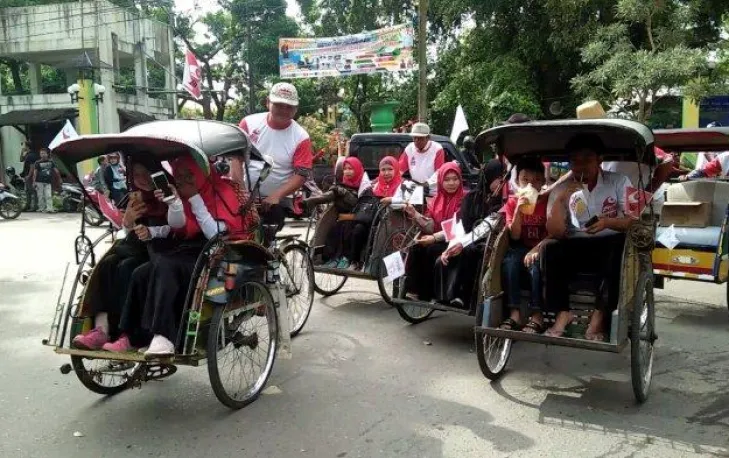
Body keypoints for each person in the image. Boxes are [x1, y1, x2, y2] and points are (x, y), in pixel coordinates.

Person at [106, 154, 257, 356]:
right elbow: (176, 226)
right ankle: (134, 337)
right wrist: (171, 209)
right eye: (180, 175)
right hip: (187, 249)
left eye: (190, 174)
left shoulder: (222, 191)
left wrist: (195, 197)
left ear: (201, 173)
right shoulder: (179, 194)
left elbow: (215, 234)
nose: (185, 180)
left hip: (217, 252)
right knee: (141, 273)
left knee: (166, 264)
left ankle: (165, 336)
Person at [71, 159, 171, 350]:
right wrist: (128, 221)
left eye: (145, 174)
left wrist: (151, 229)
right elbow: (126, 232)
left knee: (128, 268)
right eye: (136, 175)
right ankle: (102, 329)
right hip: (135, 247)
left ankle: (129, 335)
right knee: (107, 263)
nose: (141, 179)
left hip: (161, 250)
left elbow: (178, 227)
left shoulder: (167, 195)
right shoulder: (132, 198)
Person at [543, 133, 632, 340]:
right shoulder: (562, 188)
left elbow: (632, 220)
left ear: (599, 159)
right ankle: (563, 312)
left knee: (618, 247)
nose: (581, 166)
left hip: (610, 241)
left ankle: (599, 316)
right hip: (576, 244)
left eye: (587, 159)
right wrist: (560, 200)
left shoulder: (619, 182)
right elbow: (555, 231)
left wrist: (607, 222)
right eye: (575, 161)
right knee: (550, 249)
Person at [234, 82, 314, 230]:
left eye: (289, 106)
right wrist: (240, 191)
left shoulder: (301, 137)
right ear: (267, 103)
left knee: (268, 236)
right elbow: (236, 159)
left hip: (278, 200)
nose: (284, 110)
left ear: (296, 109)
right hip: (245, 197)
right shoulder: (248, 123)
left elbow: (302, 173)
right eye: (279, 104)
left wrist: (277, 195)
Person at [436, 159, 505, 307]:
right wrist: (452, 246)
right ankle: (443, 296)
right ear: (489, 177)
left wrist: (463, 244)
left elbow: (488, 227)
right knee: (442, 257)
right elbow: (460, 224)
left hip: (486, 243)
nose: (502, 183)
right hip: (466, 238)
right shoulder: (471, 198)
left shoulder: (503, 201)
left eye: (504, 179)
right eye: (499, 179)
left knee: (471, 251)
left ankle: (463, 296)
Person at [497, 158, 548, 333]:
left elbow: (553, 234)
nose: (530, 185)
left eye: (536, 181)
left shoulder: (547, 202)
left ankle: (537, 314)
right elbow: (515, 234)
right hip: (520, 245)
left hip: (543, 246)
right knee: (510, 262)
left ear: (542, 182)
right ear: (518, 181)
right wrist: (519, 209)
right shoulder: (512, 202)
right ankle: (514, 313)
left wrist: (536, 249)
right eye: (525, 180)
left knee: (535, 267)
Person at [403, 162, 465, 302]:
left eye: (455, 179)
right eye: (447, 179)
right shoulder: (436, 200)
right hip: (435, 238)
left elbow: (457, 227)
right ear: (440, 181)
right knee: (415, 247)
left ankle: (430, 293)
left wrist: (434, 238)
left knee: (431, 250)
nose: (451, 183)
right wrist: (415, 214)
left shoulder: (463, 200)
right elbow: (430, 225)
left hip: (454, 241)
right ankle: (413, 290)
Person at [312, 157, 373, 269]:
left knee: (348, 228)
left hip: (360, 219)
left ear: (358, 170)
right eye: (345, 169)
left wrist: (347, 216)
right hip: (345, 218)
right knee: (335, 228)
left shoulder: (365, 187)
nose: (347, 171)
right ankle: (333, 257)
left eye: (351, 168)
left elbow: (363, 209)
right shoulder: (343, 184)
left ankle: (348, 259)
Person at [31, 148, 60, 213]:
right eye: (41, 153)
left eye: (44, 153)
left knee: (48, 195)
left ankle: (49, 208)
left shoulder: (51, 162)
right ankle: (41, 208)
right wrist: (34, 182)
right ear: (40, 155)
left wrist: (59, 178)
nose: (43, 155)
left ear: (47, 154)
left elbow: (56, 171)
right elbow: (35, 173)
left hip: (48, 182)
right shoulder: (37, 162)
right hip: (39, 181)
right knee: (40, 196)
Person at [20, 143, 39, 211]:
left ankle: (35, 206)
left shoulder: (32, 155)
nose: (23, 146)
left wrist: (29, 175)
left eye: (23, 145)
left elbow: (32, 166)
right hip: (26, 175)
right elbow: (21, 159)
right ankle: (27, 206)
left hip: (30, 176)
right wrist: (22, 151)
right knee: (27, 191)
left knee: (33, 191)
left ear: (27, 146)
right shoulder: (27, 154)